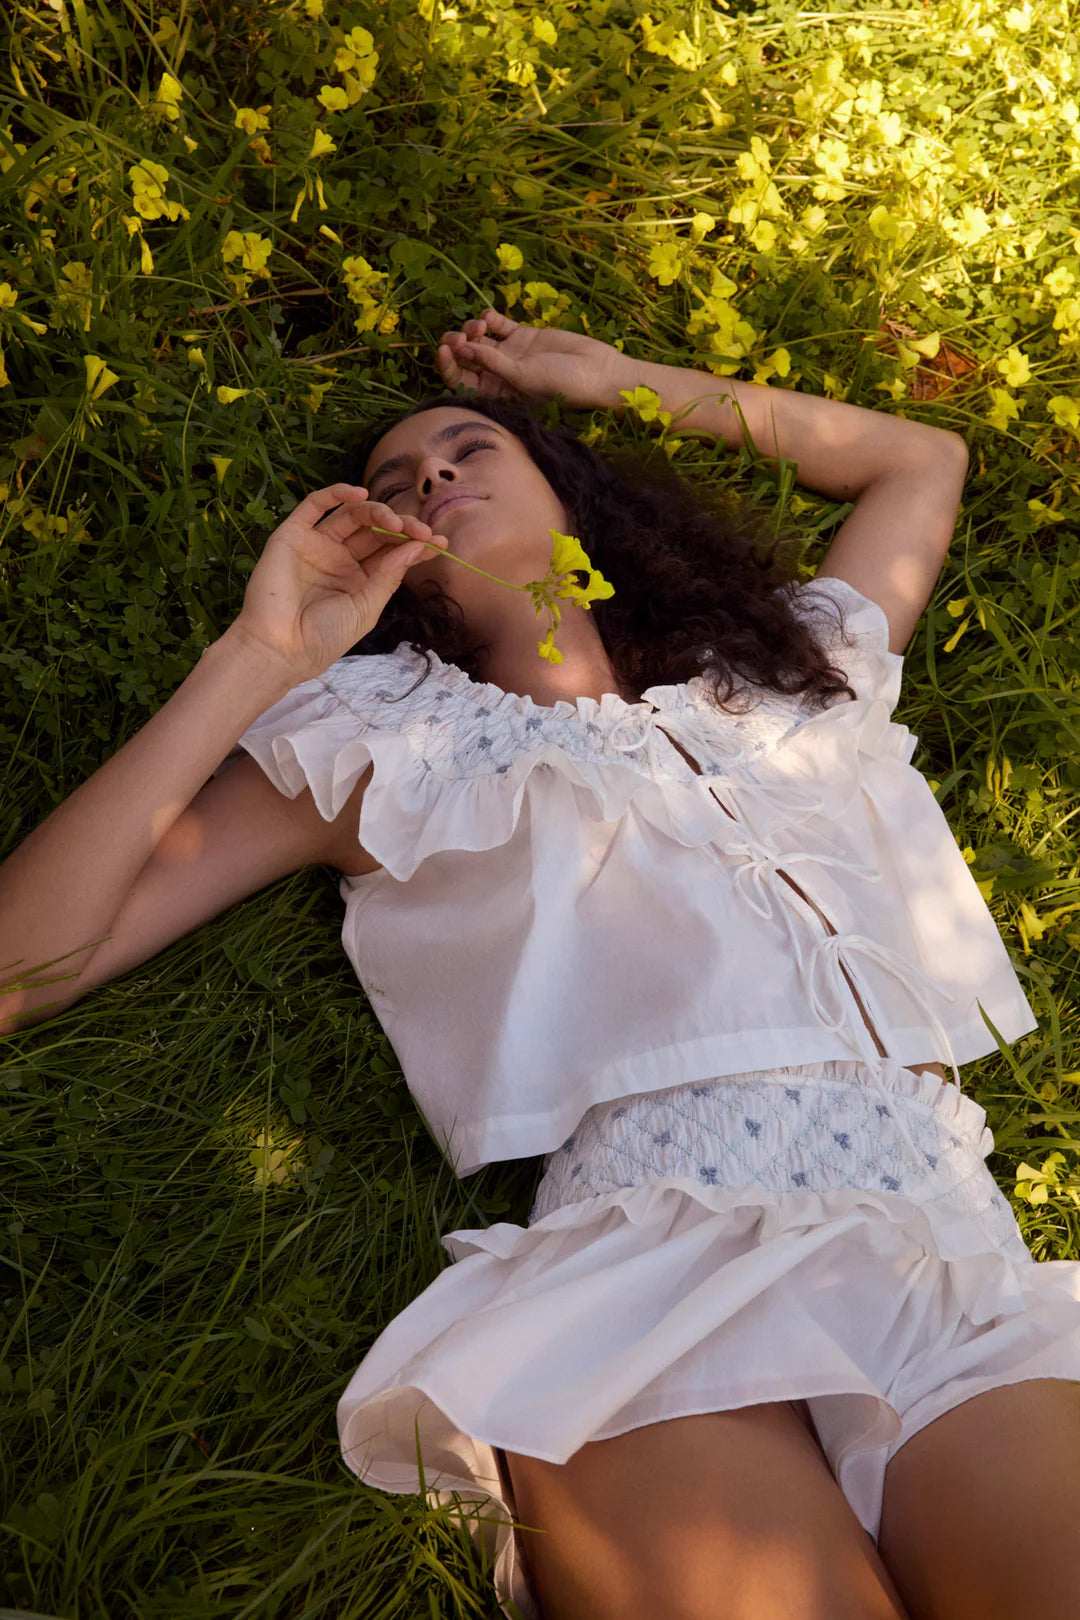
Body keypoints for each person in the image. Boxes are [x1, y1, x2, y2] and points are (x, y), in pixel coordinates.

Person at [2, 308, 1079, 1620]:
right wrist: (258, 660)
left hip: (943, 1247)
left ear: (567, 488)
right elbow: (25, 964)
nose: (436, 479)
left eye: (469, 449)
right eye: (396, 486)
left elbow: (922, 459)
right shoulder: (380, 744)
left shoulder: (802, 667)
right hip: (647, 1267)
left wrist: (619, 382)